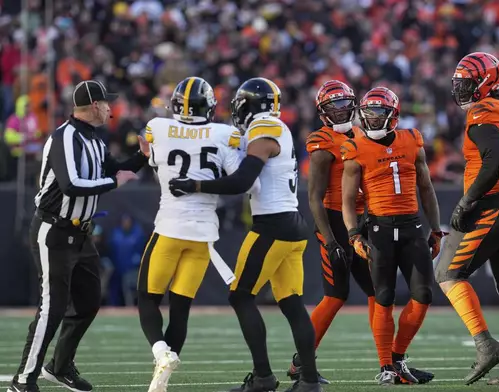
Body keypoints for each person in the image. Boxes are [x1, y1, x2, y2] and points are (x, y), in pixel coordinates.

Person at [168, 77, 321, 392]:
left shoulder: (266, 130)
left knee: (240, 296)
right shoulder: (274, 127)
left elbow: (241, 181)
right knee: (292, 303)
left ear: (250, 104)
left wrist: (196, 185)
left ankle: (263, 377)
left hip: (273, 226)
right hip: (291, 224)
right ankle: (308, 381)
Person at [7, 80, 144, 392]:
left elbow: (119, 169)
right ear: (94, 106)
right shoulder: (64, 137)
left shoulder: (94, 139)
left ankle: (59, 365)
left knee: (88, 301)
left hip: (81, 234)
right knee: (52, 307)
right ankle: (24, 378)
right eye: (106, 102)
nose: (111, 108)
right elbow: (71, 185)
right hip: (54, 230)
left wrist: (144, 155)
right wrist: (113, 182)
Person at [137, 76, 259, 392]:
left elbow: (151, 157)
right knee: (181, 309)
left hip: (169, 229)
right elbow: (243, 180)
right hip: (203, 235)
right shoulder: (224, 134)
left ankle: (161, 352)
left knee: (147, 299)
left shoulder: (158, 127)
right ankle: (159, 382)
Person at [435, 51, 499, 385]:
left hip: (491, 204)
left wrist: (467, 200)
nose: (461, 89)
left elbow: (493, 161)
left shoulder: (483, 111)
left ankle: (485, 344)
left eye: (468, 82)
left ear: (487, 81)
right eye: (458, 83)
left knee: (447, 271)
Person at [340, 87, 444, 385]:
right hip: (379, 229)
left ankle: (397, 357)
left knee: (423, 295)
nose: (372, 120)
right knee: (384, 298)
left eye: (379, 114)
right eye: (368, 114)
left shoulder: (412, 140)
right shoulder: (355, 146)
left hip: (412, 228)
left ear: (393, 115)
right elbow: (348, 200)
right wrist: (352, 235)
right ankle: (386, 365)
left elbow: (426, 189)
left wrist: (435, 229)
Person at [286, 80, 372, 385]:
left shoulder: (364, 133)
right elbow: (314, 198)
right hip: (334, 221)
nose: (340, 110)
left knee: (378, 291)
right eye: (333, 106)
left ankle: (389, 361)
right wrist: (331, 240)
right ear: (323, 112)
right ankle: (301, 362)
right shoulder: (322, 142)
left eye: (343, 103)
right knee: (336, 295)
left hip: (361, 221)